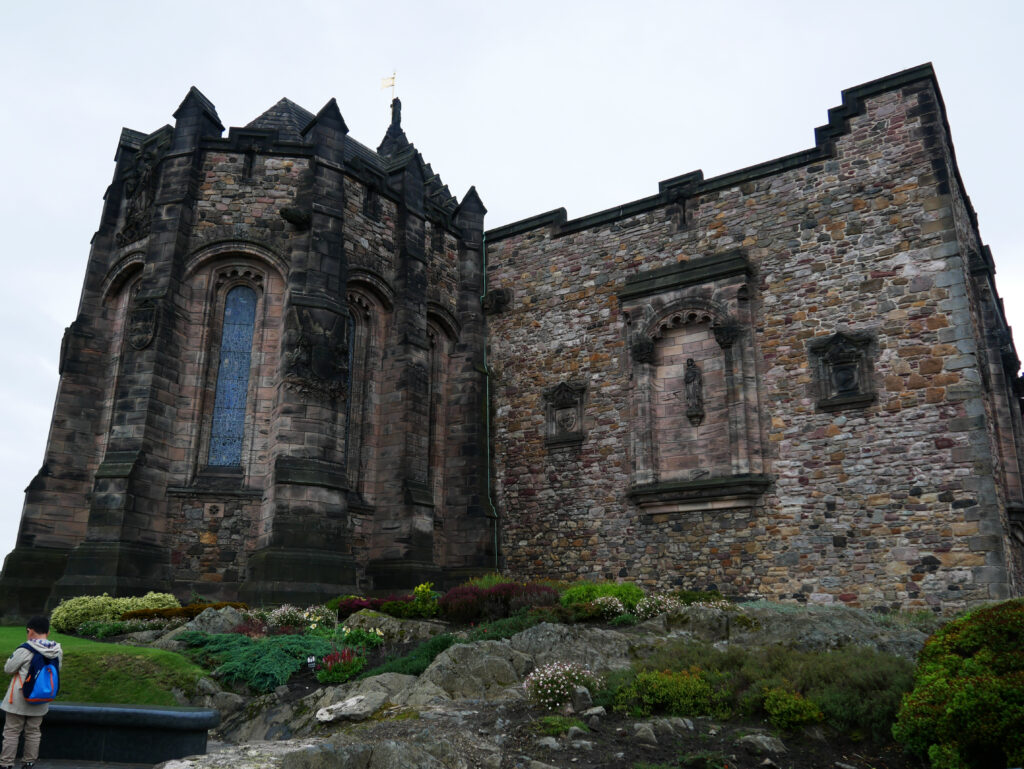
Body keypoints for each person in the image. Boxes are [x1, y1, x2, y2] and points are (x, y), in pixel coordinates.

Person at [1, 616, 62, 769]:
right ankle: (29, 763)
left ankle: (6, 764)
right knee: (34, 732)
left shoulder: (25, 649)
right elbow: (57, 671)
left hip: (19, 697)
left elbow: (8, 669)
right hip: (42, 696)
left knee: (12, 732)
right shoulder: (57, 650)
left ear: (29, 630)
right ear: (47, 632)